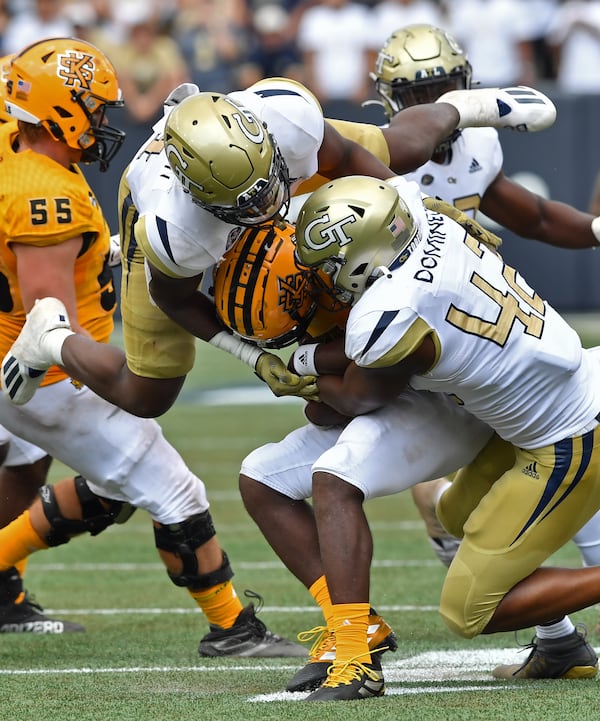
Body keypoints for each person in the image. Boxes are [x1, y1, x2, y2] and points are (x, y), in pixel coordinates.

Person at [0, 37, 304, 657]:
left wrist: (101, 256)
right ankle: (232, 629)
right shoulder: (41, 195)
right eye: (92, 106)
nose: (104, 118)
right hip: (44, 374)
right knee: (175, 492)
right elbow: (48, 324)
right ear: (60, 110)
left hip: (17, 358)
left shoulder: (18, 146)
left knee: (109, 487)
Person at [289, 173, 600, 699]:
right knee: (454, 516)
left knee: (469, 609)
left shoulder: (391, 311)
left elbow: (356, 400)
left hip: (571, 437)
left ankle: (562, 638)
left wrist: (300, 371)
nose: (325, 278)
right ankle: (560, 647)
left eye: (331, 266)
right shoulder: (434, 224)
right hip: (553, 400)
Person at [370, 22, 600, 572]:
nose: (431, 104)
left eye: (441, 88)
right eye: (415, 95)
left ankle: (549, 616)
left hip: (474, 324)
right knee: (528, 451)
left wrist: (597, 229)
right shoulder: (377, 165)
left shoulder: (478, 141)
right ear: (390, 101)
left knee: (553, 440)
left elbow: (535, 216)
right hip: (413, 337)